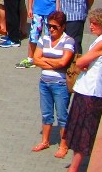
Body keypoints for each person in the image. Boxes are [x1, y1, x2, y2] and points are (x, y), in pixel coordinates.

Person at [64, 8, 102, 171]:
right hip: (86, 89)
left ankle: (74, 168)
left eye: (94, 24)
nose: (91, 26)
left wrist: (84, 63)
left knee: (83, 132)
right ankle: (75, 165)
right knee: (79, 129)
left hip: (91, 92)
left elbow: (80, 62)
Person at [30, 10, 75, 155]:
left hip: (60, 84)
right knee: (46, 114)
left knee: (62, 115)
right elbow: (35, 59)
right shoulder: (44, 39)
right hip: (44, 82)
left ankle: (63, 145)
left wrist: (45, 60)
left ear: (63, 27)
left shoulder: (68, 41)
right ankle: (45, 141)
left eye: (55, 27)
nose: (51, 29)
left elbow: (64, 62)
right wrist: (54, 63)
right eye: (49, 26)